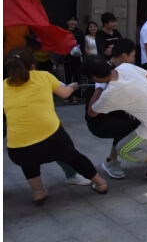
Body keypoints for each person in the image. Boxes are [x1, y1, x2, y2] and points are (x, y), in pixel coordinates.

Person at [4, 49, 109, 203]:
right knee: (73, 156)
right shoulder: (43, 76)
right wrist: (73, 86)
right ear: (32, 66)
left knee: (28, 163)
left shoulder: (3, 86)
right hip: (51, 140)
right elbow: (65, 93)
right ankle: (100, 183)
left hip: (17, 149)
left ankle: (38, 192)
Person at [64, 15, 85, 105]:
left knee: (77, 76)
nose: (73, 22)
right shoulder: (63, 31)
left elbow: (83, 45)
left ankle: (75, 95)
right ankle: (67, 94)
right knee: (67, 76)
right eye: (71, 20)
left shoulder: (80, 32)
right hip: (66, 58)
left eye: (75, 20)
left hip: (77, 58)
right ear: (67, 22)